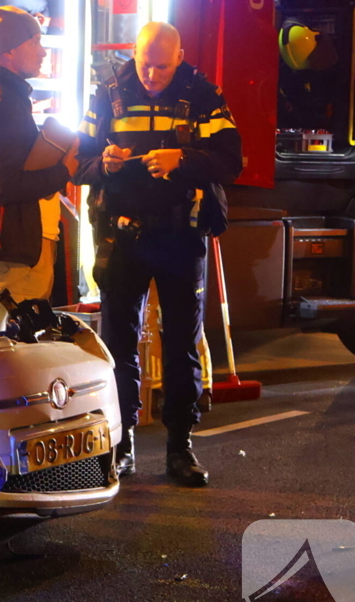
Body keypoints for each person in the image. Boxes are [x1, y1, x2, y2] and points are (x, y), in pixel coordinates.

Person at [74, 22, 243, 487]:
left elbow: (232, 161)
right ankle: (122, 443)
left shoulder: (203, 94)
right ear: (134, 53)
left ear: (180, 56)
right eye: (145, 63)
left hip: (181, 236)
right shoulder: (108, 93)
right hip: (121, 237)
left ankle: (179, 448)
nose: (151, 74)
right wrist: (102, 165)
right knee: (118, 344)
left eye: (162, 66)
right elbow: (79, 160)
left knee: (181, 344)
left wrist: (182, 162)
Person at [0, 5, 79, 303]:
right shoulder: (5, 103)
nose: (42, 52)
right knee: (19, 342)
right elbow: (5, 185)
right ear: (10, 50)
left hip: (4, 246)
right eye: (35, 42)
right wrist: (65, 169)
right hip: (12, 251)